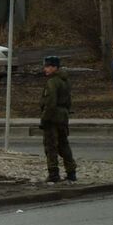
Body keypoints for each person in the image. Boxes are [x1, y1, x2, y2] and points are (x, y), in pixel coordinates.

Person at [40, 55, 76, 183]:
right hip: (63, 116)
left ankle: (53, 173)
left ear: (55, 67)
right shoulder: (65, 80)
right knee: (64, 145)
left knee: (50, 146)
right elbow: (68, 100)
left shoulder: (52, 82)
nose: (46, 69)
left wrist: (44, 119)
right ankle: (71, 171)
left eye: (48, 66)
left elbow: (50, 102)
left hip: (53, 117)